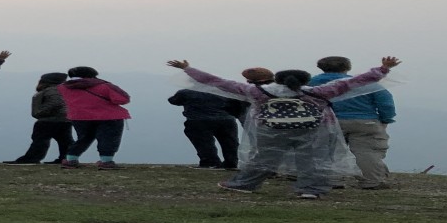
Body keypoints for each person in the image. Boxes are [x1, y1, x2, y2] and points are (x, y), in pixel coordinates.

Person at [167, 57, 401, 199]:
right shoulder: (318, 92)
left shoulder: (259, 91)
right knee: (313, 159)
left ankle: (243, 185)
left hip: (271, 130)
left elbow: (219, 82)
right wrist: (382, 69)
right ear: (305, 80)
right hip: (312, 129)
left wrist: (189, 69)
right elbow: (352, 82)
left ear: (277, 80)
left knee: (264, 158)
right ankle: (311, 190)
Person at [315, 56, 397, 190]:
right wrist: (386, 119)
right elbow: (385, 102)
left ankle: (333, 179)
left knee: (330, 150)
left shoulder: (312, 83)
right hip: (365, 122)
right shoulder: (364, 83)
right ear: (347, 68)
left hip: (327, 121)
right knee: (367, 151)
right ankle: (372, 181)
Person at [57, 67, 133, 170]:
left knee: (84, 138)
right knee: (108, 138)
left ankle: (70, 160)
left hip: (79, 116)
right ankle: (106, 162)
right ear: (92, 75)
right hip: (109, 116)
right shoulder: (104, 86)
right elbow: (123, 99)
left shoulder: (62, 88)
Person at [167, 80, 247, 170]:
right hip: (227, 120)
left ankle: (210, 162)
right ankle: (232, 163)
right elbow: (239, 104)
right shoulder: (225, 92)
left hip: (198, 121)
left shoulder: (186, 92)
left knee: (204, 143)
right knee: (230, 142)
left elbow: (173, 101)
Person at [2, 73, 74, 165]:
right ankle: (66, 158)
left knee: (40, 140)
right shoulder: (65, 90)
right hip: (65, 120)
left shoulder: (50, 91)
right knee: (65, 141)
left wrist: (40, 112)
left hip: (48, 121)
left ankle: (31, 158)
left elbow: (55, 103)